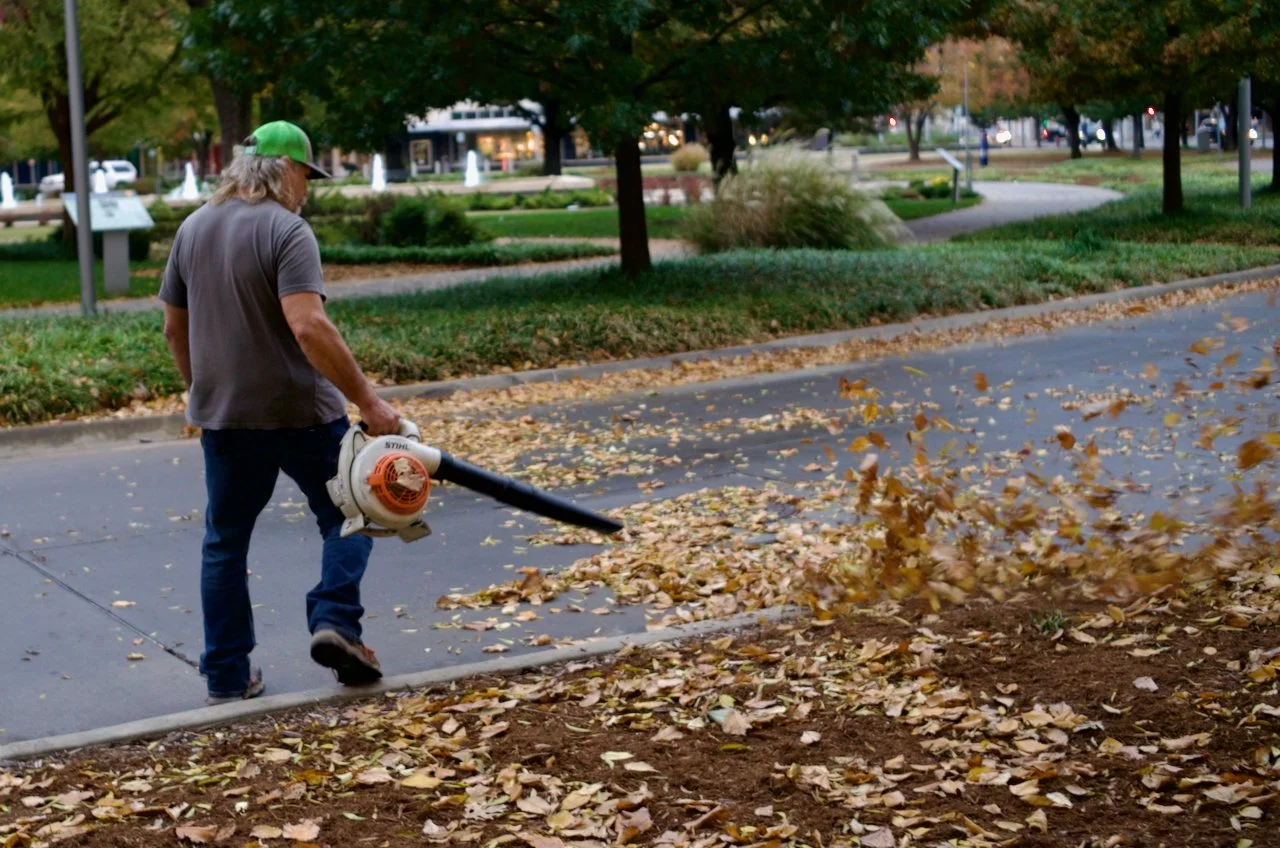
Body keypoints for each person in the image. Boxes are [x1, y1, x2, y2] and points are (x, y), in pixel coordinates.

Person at [158, 120, 401, 705]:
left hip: (226, 418)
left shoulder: (192, 228)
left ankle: (226, 673)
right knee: (351, 513)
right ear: (285, 170)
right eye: (306, 176)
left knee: (225, 541)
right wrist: (368, 402)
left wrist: (203, 388)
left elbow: (173, 325)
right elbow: (308, 324)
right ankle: (337, 622)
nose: (308, 189)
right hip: (301, 413)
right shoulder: (288, 231)